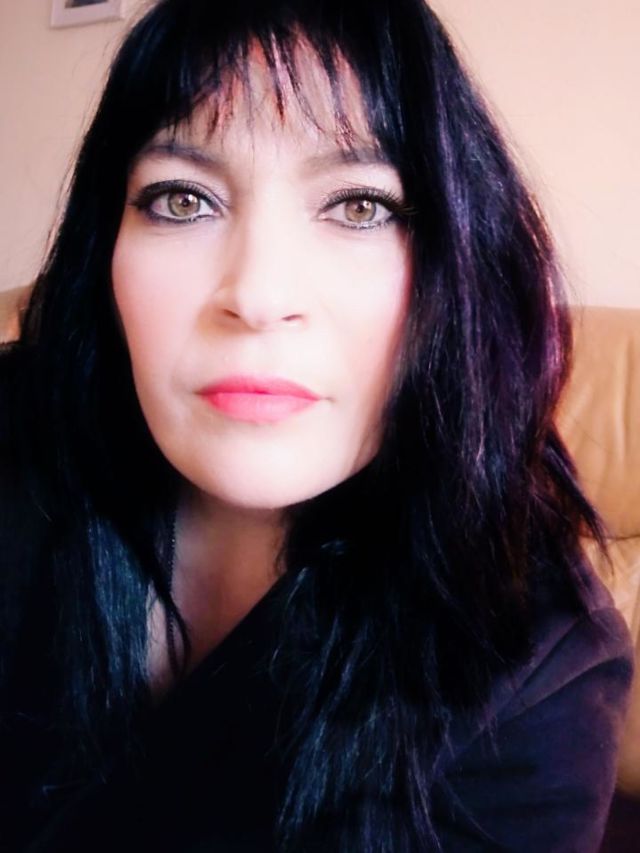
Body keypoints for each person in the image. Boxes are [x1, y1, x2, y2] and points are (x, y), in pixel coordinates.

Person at [0, 0, 633, 850]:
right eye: (183, 198)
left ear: (456, 257)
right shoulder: (21, 437)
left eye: (359, 206)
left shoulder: (534, 668)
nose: (259, 295)